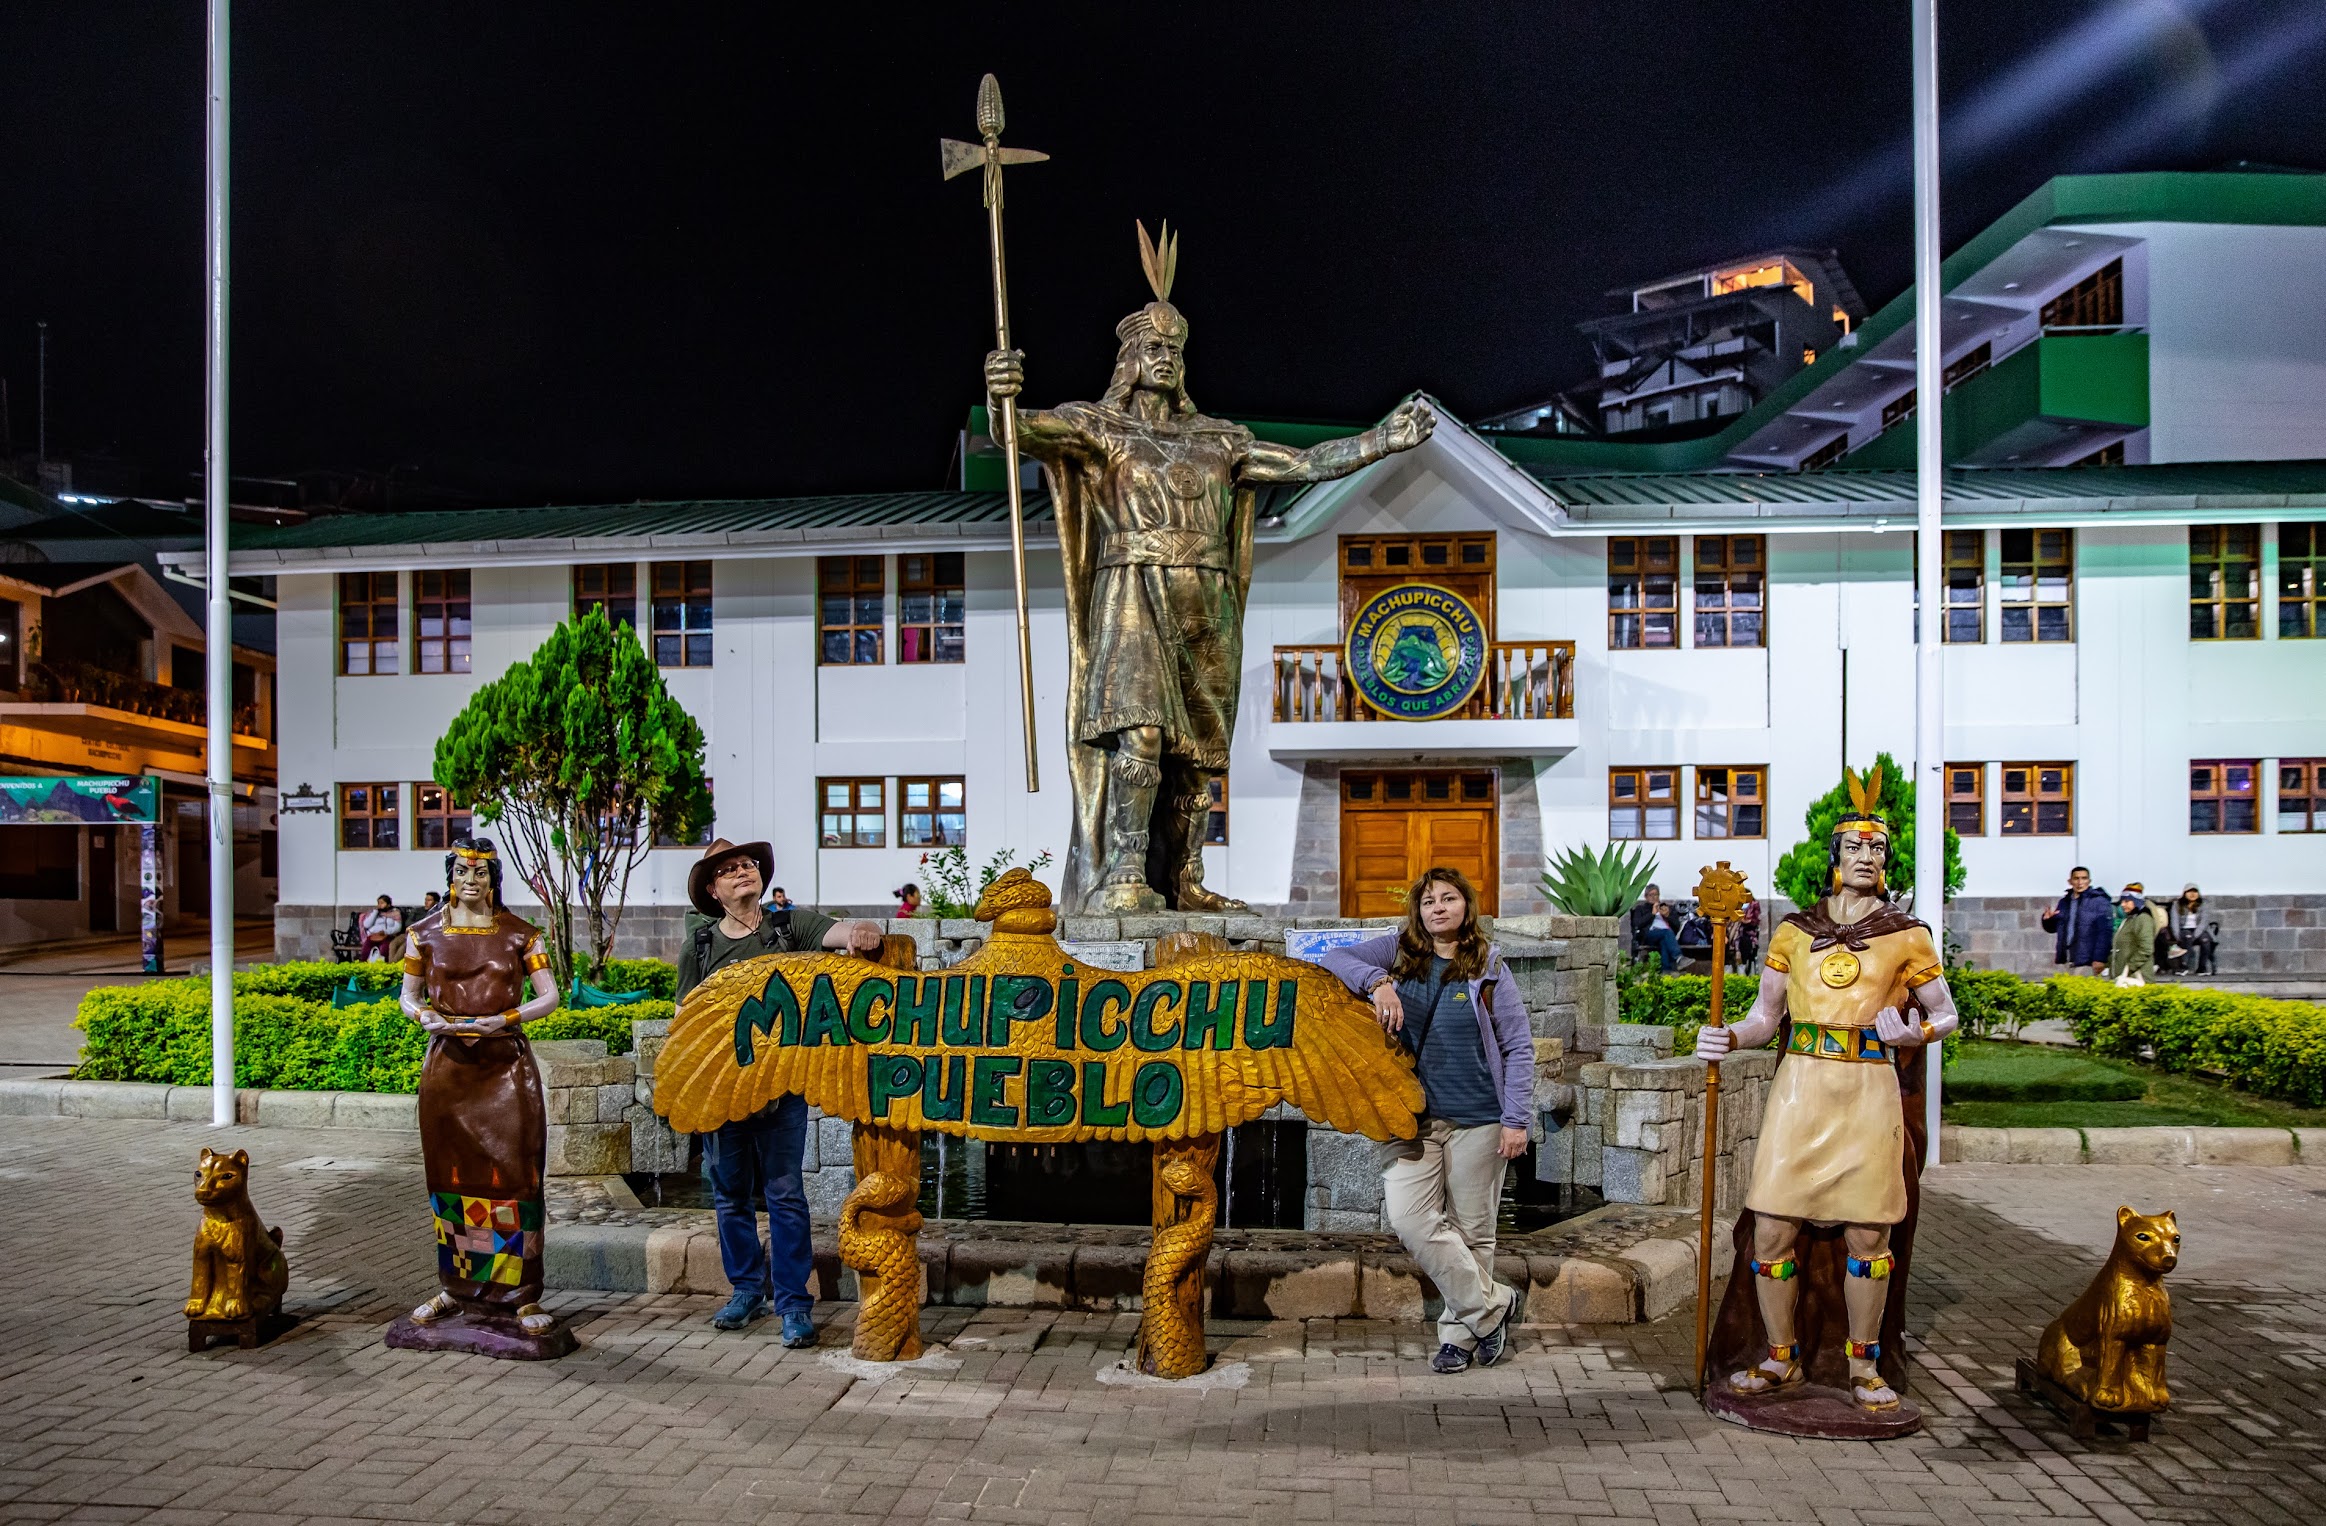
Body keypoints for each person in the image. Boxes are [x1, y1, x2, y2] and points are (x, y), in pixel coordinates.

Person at [984, 232, 1433, 916]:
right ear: (1129, 359)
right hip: (1132, 586)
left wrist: (1381, 441)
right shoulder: (1099, 427)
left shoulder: (1218, 439)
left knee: (1196, 753)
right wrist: (1000, 397)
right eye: (1152, 348)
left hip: (1207, 599)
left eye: (1174, 349)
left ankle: (1184, 878)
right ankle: (1122, 875)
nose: (1164, 358)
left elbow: (1304, 465)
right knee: (1139, 731)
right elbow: (1020, 432)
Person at [1696, 766, 1962, 1414]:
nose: (1866, 856)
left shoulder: (1906, 934)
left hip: (1869, 1092)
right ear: (1835, 859)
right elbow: (1766, 1018)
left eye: (1877, 848)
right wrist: (1728, 1038)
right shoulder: (1793, 933)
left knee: (1870, 1237)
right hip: (1801, 1090)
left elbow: (1947, 1015)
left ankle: (1863, 1365)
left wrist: (1912, 1035)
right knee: (1771, 1233)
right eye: (1854, 847)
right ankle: (1780, 1357)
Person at [1322, 867, 1534, 1375]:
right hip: (1410, 1119)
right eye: (1429, 901)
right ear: (1418, 910)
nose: (1438, 908)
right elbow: (1332, 957)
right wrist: (1377, 983)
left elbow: (1518, 1047)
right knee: (1410, 1219)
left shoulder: (1489, 967)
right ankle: (1492, 1307)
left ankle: (1459, 1337)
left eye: (1449, 898)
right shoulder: (1397, 952)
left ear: (1467, 906)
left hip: (1479, 1118)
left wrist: (1516, 1119)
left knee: (1473, 1231)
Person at [676, 838, 884, 1342]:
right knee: (729, 1196)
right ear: (713, 889)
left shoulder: (790, 925)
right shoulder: (700, 946)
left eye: (747, 864)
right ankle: (746, 1290)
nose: (742, 872)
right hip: (720, 1094)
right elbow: (684, 1016)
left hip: (780, 1091)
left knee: (786, 1195)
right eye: (729, 870)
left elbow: (843, 931)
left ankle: (793, 1304)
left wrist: (865, 929)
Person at [396, 837, 565, 1349]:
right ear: (451, 876)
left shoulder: (522, 935)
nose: (473, 880)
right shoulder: (421, 934)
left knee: (514, 1176)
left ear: (494, 880)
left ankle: (522, 1293)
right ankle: (457, 1287)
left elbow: (551, 996)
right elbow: (408, 997)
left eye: (483, 872)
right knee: (450, 1177)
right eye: (464, 871)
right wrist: (423, 1014)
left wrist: (504, 1019)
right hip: (448, 1069)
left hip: (505, 1067)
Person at [2041, 866, 2113, 974]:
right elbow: (2054, 928)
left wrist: (2100, 958)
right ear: (2070, 881)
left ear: (2089, 881)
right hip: (2066, 957)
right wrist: (2047, 920)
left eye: (2084, 878)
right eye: (2076, 878)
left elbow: (2105, 933)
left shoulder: (2099, 902)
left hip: (2087, 960)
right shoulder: (2064, 902)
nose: (2080, 882)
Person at [2108, 884, 2163, 983]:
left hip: (2137, 978)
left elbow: (2146, 949)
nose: (2122, 905)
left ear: (2136, 901)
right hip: (2125, 978)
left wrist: (2129, 967)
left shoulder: (2143, 919)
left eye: (2127, 901)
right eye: (2122, 901)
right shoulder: (2129, 919)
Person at [2163, 884, 2217, 976]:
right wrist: (2177, 935)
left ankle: (2202, 967)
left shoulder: (2203, 904)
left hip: (2199, 930)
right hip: (2184, 930)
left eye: (2195, 892)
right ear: (2185, 893)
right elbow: (2174, 921)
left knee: (2206, 940)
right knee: (2187, 937)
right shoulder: (2177, 904)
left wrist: (2195, 935)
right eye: (2189, 892)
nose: (2192, 894)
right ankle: (2183, 966)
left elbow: (2204, 922)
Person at [358, 894, 402, 961]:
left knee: (384, 949)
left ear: (388, 904)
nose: (379, 905)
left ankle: (383, 965)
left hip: (387, 935)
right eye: (378, 903)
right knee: (366, 950)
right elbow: (366, 925)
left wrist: (385, 932)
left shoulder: (395, 913)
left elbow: (398, 927)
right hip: (374, 935)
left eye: (382, 903)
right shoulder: (375, 913)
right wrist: (375, 913)